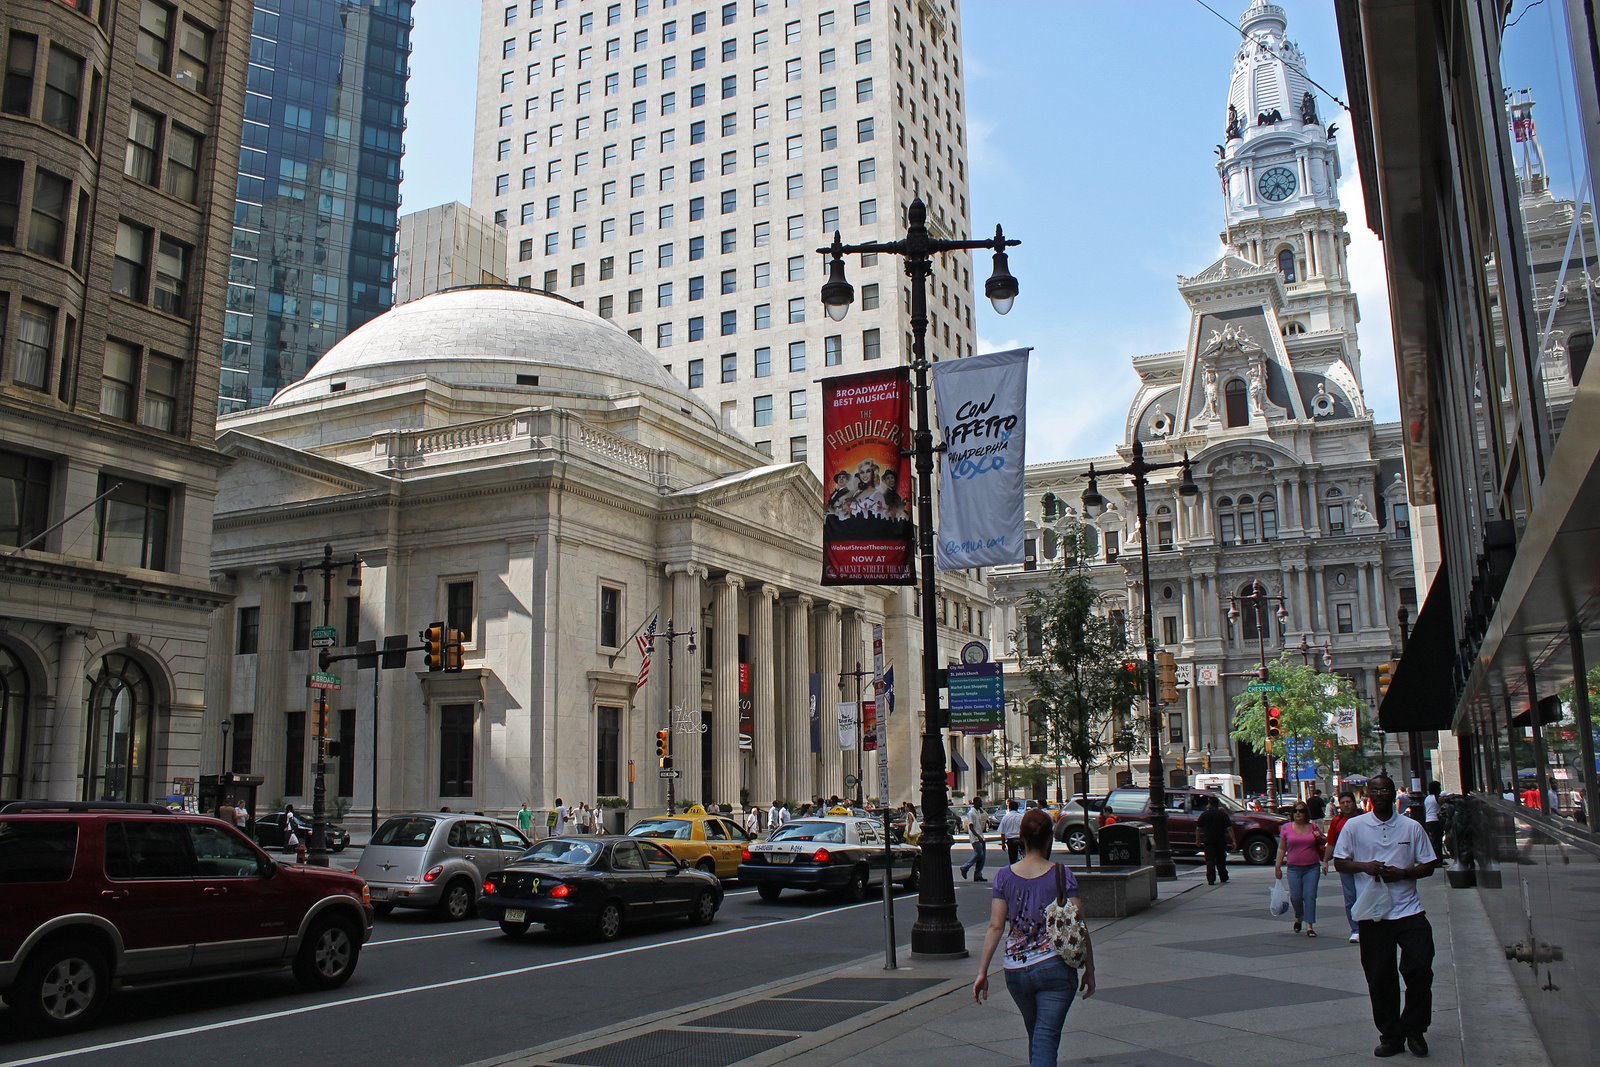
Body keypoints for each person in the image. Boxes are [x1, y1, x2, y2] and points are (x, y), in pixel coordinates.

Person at [973, 808, 1096, 1067]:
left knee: (1038, 1035)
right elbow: (1079, 923)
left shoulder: (1004, 876)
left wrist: (982, 971)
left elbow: (996, 926)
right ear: (1050, 838)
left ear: (1021, 837)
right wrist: (1090, 968)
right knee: (1045, 1038)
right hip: (1055, 967)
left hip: (1016, 971)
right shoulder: (1062, 874)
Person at [1333, 773, 1439, 1059]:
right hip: (1373, 914)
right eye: (1375, 790)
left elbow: (1429, 864)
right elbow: (1340, 862)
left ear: (1393, 795)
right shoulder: (1355, 826)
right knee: (1380, 978)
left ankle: (1415, 1029)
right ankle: (1391, 1036)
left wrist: (1403, 873)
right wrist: (1365, 866)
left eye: (1385, 790)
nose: (1380, 794)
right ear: (1368, 795)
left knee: (1419, 970)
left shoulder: (1411, 827)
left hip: (1409, 911)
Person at [1275, 799, 1325, 936]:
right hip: (1293, 868)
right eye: (1295, 811)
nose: (1298, 813)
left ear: (1306, 813)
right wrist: (1277, 866)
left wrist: (1319, 838)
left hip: (1312, 868)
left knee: (1309, 896)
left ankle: (1309, 926)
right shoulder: (1286, 828)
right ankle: (1299, 916)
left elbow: (1323, 842)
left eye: (1301, 811)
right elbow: (1281, 848)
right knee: (1296, 897)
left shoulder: (1313, 827)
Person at [1324, 790, 1362, 942]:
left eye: (1349, 802)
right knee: (1350, 897)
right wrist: (1325, 861)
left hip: (1363, 862)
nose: (1346, 805)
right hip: (1345, 863)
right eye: (1343, 803)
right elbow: (1331, 843)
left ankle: (1368, 926)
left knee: (1365, 894)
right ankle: (1355, 929)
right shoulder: (1337, 821)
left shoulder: (1364, 818)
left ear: (1354, 803)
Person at [1196, 795, 1234, 885]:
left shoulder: (1204, 814)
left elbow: (1198, 828)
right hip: (1220, 840)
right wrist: (1233, 840)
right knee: (1221, 859)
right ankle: (1223, 876)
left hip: (1208, 840)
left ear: (1210, 804)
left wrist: (1198, 840)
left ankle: (1211, 879)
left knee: (1210, 860)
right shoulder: (1223, 814)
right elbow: (1229, 829)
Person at [960, 795, 988, 881]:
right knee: (979, 854)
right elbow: (971, 826)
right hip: (975, 837)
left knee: (982, 857)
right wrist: (978, 836)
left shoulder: (978, 811)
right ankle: (965, 867)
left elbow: (986, 815)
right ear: (975, 803)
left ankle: (978, 874)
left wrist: (980, 809)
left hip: (981, 836)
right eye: (979, 802)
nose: (981, 803)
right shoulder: (971, 813)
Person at [999, 798, 1024, 865]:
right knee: (1024, 856)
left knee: (1012, 860)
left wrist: (1003, 843)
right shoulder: (1021, 817)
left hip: (1010, 840)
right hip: (1020, 839)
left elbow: (1002, 832)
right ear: (1017, 808)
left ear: (1009, 808)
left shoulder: (1005, 817)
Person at [1423, 782, 1443, 859]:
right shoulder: (1437, 797)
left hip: (1428, 820)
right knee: (1437, 841)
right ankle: (1437, 859)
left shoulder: (1427, 798)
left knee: (1433, 840)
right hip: (1436, 820)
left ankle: (1436, 858)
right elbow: (1442, 805)